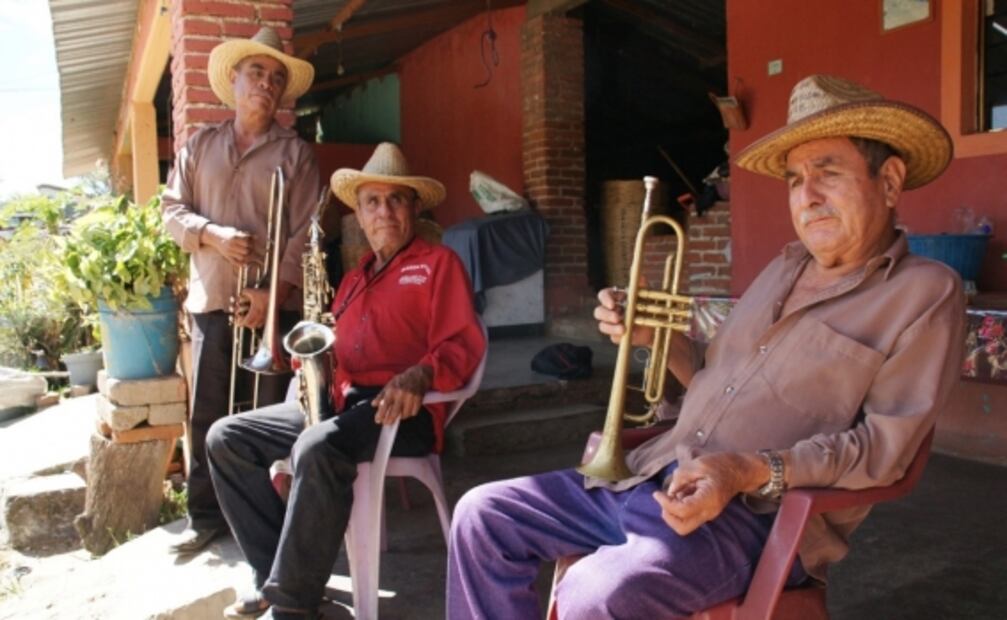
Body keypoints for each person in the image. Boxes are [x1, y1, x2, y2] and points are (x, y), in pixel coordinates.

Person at [447, 74, 966, 618]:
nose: (806, 196)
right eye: (794, 179)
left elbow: (884, 453)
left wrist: (745, 469)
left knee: (594, 595)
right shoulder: (780, 270)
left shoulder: (924, 293)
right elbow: (716, 377)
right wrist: (655, 337)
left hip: (753, 518)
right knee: (481, 516)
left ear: (889, 181)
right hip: (653, 472)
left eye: (828, 172)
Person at [207, 142, 486, 619]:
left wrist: (420, 374)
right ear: (358, 212)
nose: (384, 212)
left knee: (318, 447)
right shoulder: (356, 278)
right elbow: (334, 346)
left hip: (406, 409)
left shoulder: (439, 264)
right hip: (343, 403)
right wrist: (308, 370)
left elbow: (462, 343)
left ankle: (292, 606)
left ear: (414, 207)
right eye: (372, 201)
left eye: (396, 199)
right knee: (226, 438)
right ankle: (275, 572)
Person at [161, 27, 321, 554]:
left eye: (277, 77)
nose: (267, 84)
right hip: (211, 303)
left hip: (269, 308)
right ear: (234, 80)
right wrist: (211, 234)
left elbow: (304, 231)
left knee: (259, 422)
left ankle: (260, 526)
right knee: (208, 412)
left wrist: (274, 294)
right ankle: (205, 516)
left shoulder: (296, 154)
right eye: (257, 72)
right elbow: (171, 211)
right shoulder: (199, 145)